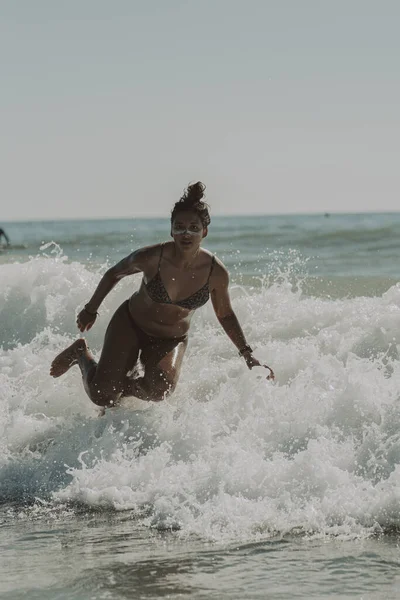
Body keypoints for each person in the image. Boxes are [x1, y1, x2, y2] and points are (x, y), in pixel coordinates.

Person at [50, 182, 274, 408]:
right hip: (131, 324)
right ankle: (80, 354)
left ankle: (120, 390)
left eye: (193, 227)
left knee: (160, 390)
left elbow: (225, 314)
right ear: (171, 230)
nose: (186, 233)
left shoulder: (216, 273)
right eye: (179, 227)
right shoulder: (151, 258)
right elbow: (114, 273)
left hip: (169, 339)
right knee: (101, 395)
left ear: (204, 231)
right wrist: (91, 309)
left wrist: (247, 354)